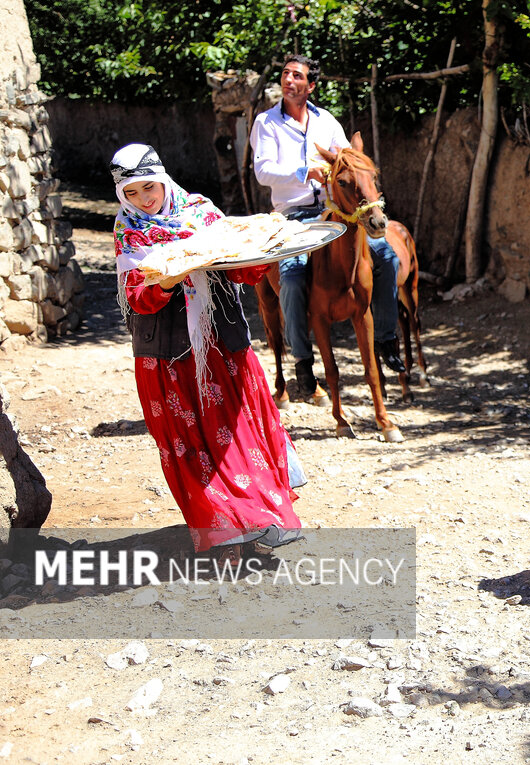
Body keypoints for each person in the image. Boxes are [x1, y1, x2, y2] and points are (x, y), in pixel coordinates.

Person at [112, 143, 303, 561]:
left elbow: (240, 266)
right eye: (132, 193)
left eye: (150, 187)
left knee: (236, 439)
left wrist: (264, 254)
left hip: (221, 346)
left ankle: (257, 523)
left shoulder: (201, 212)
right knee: (194, 446)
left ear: (163, 179)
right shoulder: (128, 234)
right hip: (168, 357)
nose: (145, 199)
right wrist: (164, 281)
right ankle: (223, 536)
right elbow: (137, 297)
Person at [250, 53, 405, 400]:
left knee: (386, 257)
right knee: (289, 277)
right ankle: (303, 362)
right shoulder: (266, 123)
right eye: (285, 75)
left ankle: (385, 337)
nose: (289, 81)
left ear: (311, 85)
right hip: (293, 216)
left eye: (297, 76)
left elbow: (348, 161)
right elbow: (262, 170)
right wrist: (304, 172)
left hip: (335, 212)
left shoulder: (327, 121)